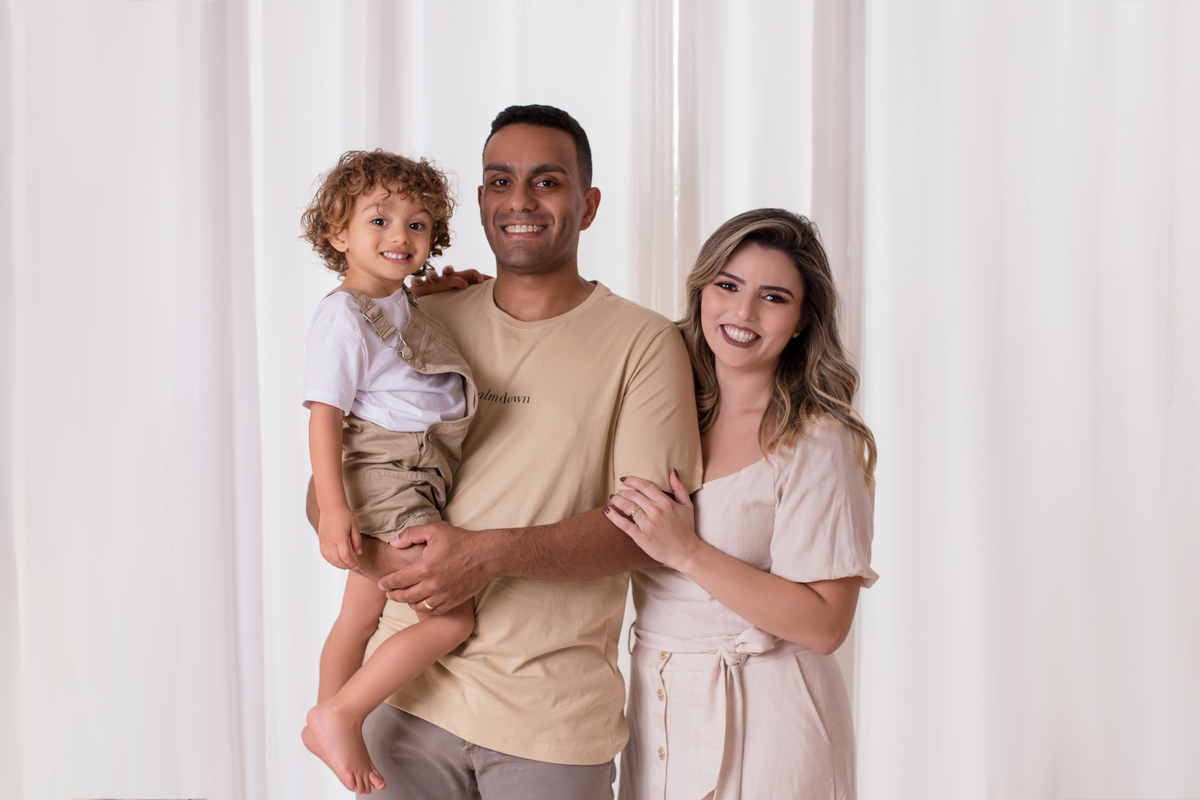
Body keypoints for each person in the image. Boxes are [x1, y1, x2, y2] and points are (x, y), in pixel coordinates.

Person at [309, 105, 703, 799]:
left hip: (548, 724)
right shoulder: (420, 316)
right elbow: (329, 483)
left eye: (547, 181)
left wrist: (483, 555)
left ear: (588, 205)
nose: (519, 200)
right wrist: (374, 544)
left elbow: (648, 534)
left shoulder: (644, 343)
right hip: (400, 707)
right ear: (483, 199)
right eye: (500, 181)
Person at [607, 209, 878, 799]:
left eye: (773, 298)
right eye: (727, 285)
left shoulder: (817, 441)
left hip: (772, 719)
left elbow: (826, 625)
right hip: (659, 704)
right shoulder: (654, 404)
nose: (743, 312)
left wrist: (688, 552)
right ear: (701, 291)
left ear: (803, 320)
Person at [299, 150, 477, 794]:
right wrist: (334, 508)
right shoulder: (341, 318)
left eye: (417, 224)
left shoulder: (394, 300)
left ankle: (326, 718)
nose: (400, 236)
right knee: (452, 619)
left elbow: (395, 331)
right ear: (337, 233)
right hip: (388, 477)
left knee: (360, 615)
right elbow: (325, 417)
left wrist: (434, 291)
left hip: (409, 474)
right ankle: (342, 713)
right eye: (379, 221)